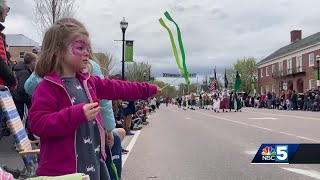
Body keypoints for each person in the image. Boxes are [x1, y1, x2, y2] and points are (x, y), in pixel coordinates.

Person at [28, 20, 159, 178]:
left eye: (88, 48)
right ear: (59, 51)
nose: (87, 53)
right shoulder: (47, 87)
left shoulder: (89, 82)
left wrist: (147, 89)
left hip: (92, 164)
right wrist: (75, 114)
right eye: (80, 47)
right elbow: (37, 124)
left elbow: (119, 88)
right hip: (63, 172)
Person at [12, 52, 38, 120]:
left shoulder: (19, 69)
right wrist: (31, 99)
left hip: (16, 99)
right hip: (20, 101)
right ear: (33, 61)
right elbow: (22, 89)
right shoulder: (24, 72)